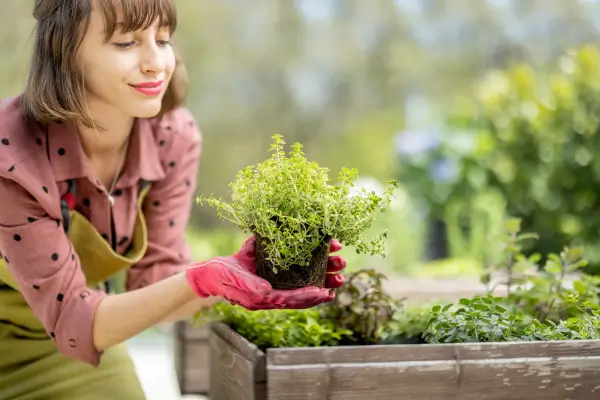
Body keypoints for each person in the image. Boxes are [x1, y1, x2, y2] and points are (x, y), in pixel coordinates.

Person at [0, 0, 347, 398]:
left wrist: (238, 277)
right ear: (65, 52)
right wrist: (202, 279)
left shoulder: (171, 137)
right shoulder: (11, 153)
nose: (155, 63)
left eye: (162, 39)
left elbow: (154, 280)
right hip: (71, 325)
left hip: (64, 348)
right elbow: (75, 321)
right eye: (126, 43)